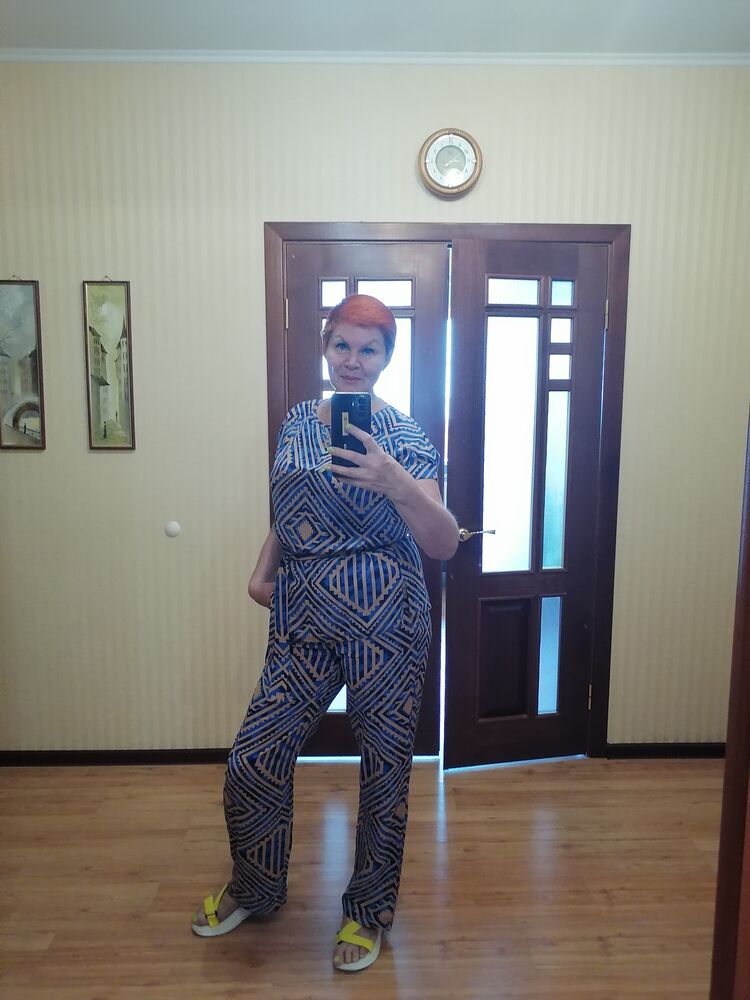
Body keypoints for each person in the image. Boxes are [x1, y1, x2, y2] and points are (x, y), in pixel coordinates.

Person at [191, 293, 458, 971]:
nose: (353, 361)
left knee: (384, 772)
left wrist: (395, 481)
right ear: (325, 346)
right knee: (254, 758)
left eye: (370, 350)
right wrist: (262, 572)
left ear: (387, 359)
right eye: (343, 344)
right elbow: (288, 509)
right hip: (304, 616)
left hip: (387, 620)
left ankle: (368, 912)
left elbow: (443, 541)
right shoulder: (296, 424)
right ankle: (257, 886)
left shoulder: (404, 436)